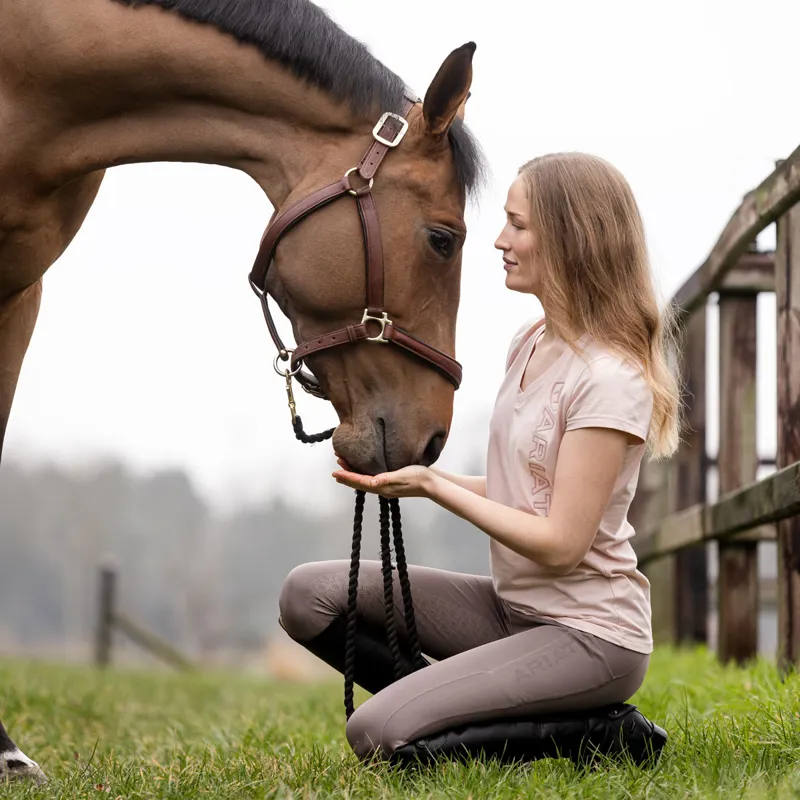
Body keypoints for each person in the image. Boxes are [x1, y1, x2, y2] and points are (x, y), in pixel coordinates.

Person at [278, 152, 680, 767]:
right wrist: (423, 480)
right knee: (307, 596)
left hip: (590, 637)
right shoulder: (533, 341)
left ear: (572, 237)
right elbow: (529, 486)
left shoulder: (610, 379)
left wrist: (440, 492)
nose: (499, 240)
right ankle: (453, 706)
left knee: (376, 734)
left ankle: (601, 733)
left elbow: (562, 543)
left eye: (518, 225)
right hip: (512, 610)